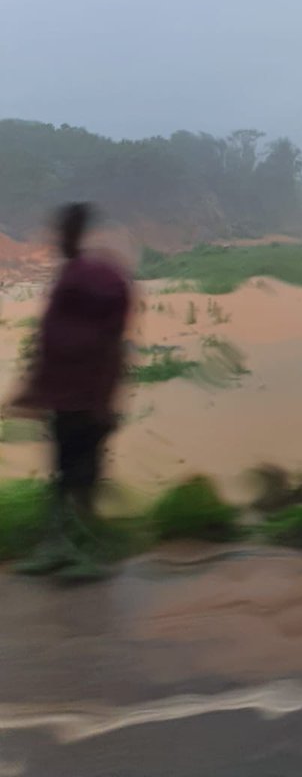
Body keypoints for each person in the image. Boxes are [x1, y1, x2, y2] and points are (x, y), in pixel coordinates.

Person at [8, 203, 132, 580]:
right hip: (68, 397)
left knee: (80, 476)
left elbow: (105, 342)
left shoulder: (95, 278)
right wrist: (34, 389)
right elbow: (53, 339)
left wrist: (103, 398)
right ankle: (60, 549)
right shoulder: (78, 275)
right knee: (64, 475)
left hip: (88, 397)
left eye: (63, 231)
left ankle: (90, 555)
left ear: (74, 232)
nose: (58, 238)